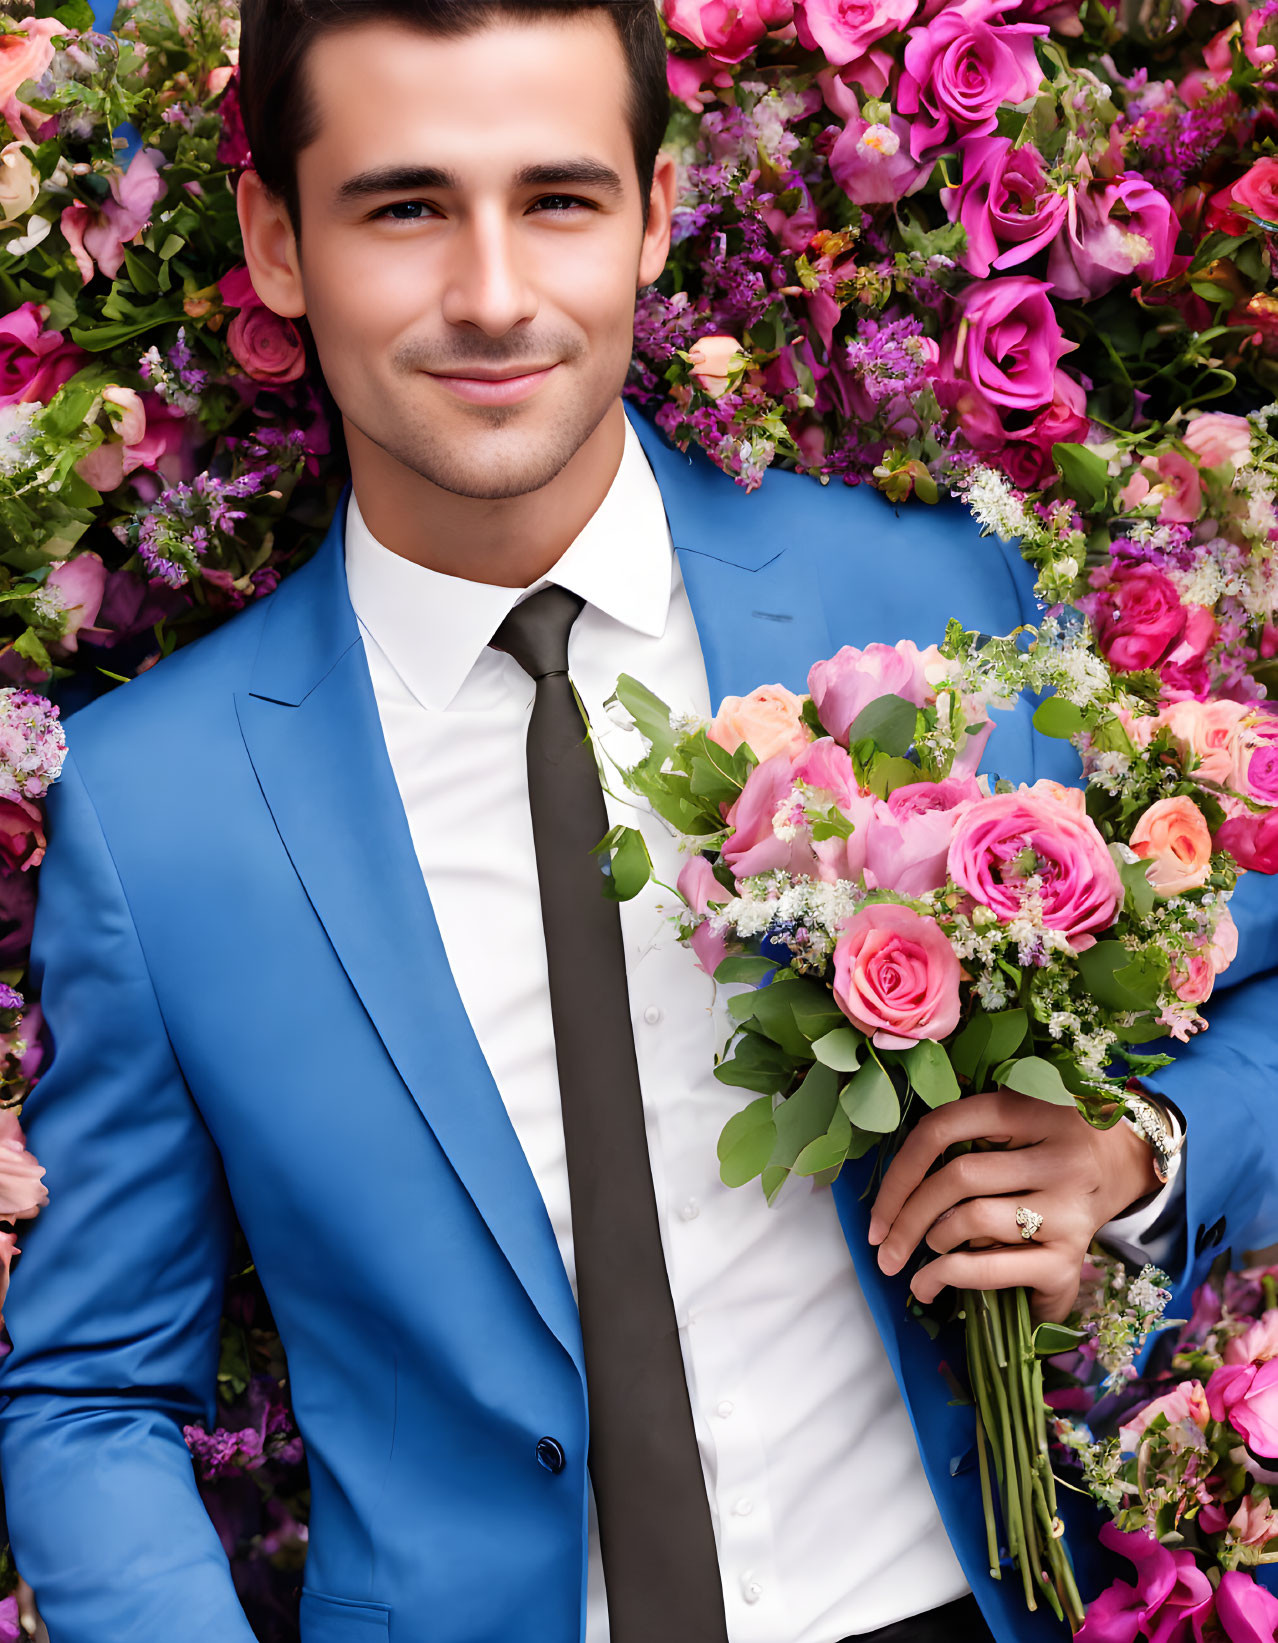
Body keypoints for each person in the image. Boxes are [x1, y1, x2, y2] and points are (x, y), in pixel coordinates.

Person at [0, 4, 1274, 1641]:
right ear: (275, 239)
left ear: (657, 213)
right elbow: (92, 1391)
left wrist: (1130, 1160)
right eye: (404, 206)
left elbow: (1248, 1000)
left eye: (557, 199)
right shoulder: (156, 802)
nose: (490, 295)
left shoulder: (929, 599)